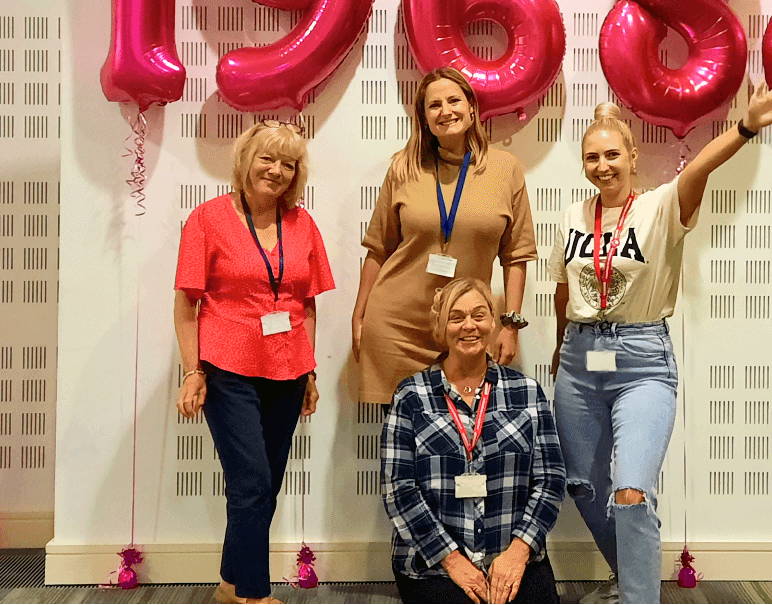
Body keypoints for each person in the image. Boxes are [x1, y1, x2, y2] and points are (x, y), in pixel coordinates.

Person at [554, 80, 772, 605]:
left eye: (612, 155)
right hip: (578, 361)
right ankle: (630, 579)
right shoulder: (573, 215)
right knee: (583, 486)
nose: (603, 166)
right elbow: (563, 290)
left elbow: (700, 168)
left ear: (633, 156)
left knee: (631, 491)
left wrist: (747, 127)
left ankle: (638, 599)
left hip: (641, 360)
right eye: (592, 157)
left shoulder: (662, 205)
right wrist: (559, 351)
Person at [175, 121, 333, 605]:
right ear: (246, 160)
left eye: (289, 164)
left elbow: (306, 304)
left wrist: (309, 370)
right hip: (228, 366)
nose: (278, 171)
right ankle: (253, 594)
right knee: (252, 484)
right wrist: (192, 371)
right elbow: (187, 305)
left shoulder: (302, 223)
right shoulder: (208, 219)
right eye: (268, 158)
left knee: (265, 485)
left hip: (287, 370)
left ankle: (227, 582)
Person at [354, 68, 538, 404]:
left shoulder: (506, 170)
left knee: (465, 443)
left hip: (465, 331)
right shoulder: (403, 167)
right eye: (434, 105)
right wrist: (360, 314)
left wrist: (510, 324)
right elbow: (378, 249)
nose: (445, 111)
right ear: (424, 118)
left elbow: (516, 256)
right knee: (404, 448)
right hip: (398, 329)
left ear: (471, 108)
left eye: (453, 100)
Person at [381, 278, 564, 605]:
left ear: (494, 323)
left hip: (512, 555)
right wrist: (451, 560)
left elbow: (551, 479)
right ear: (440, 326)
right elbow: (399, 488)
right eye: (456, 317)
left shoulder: (526, 392)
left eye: (479, 315)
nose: (469, 325)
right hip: (433, 564)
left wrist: (517, 553)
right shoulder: (411, 396)